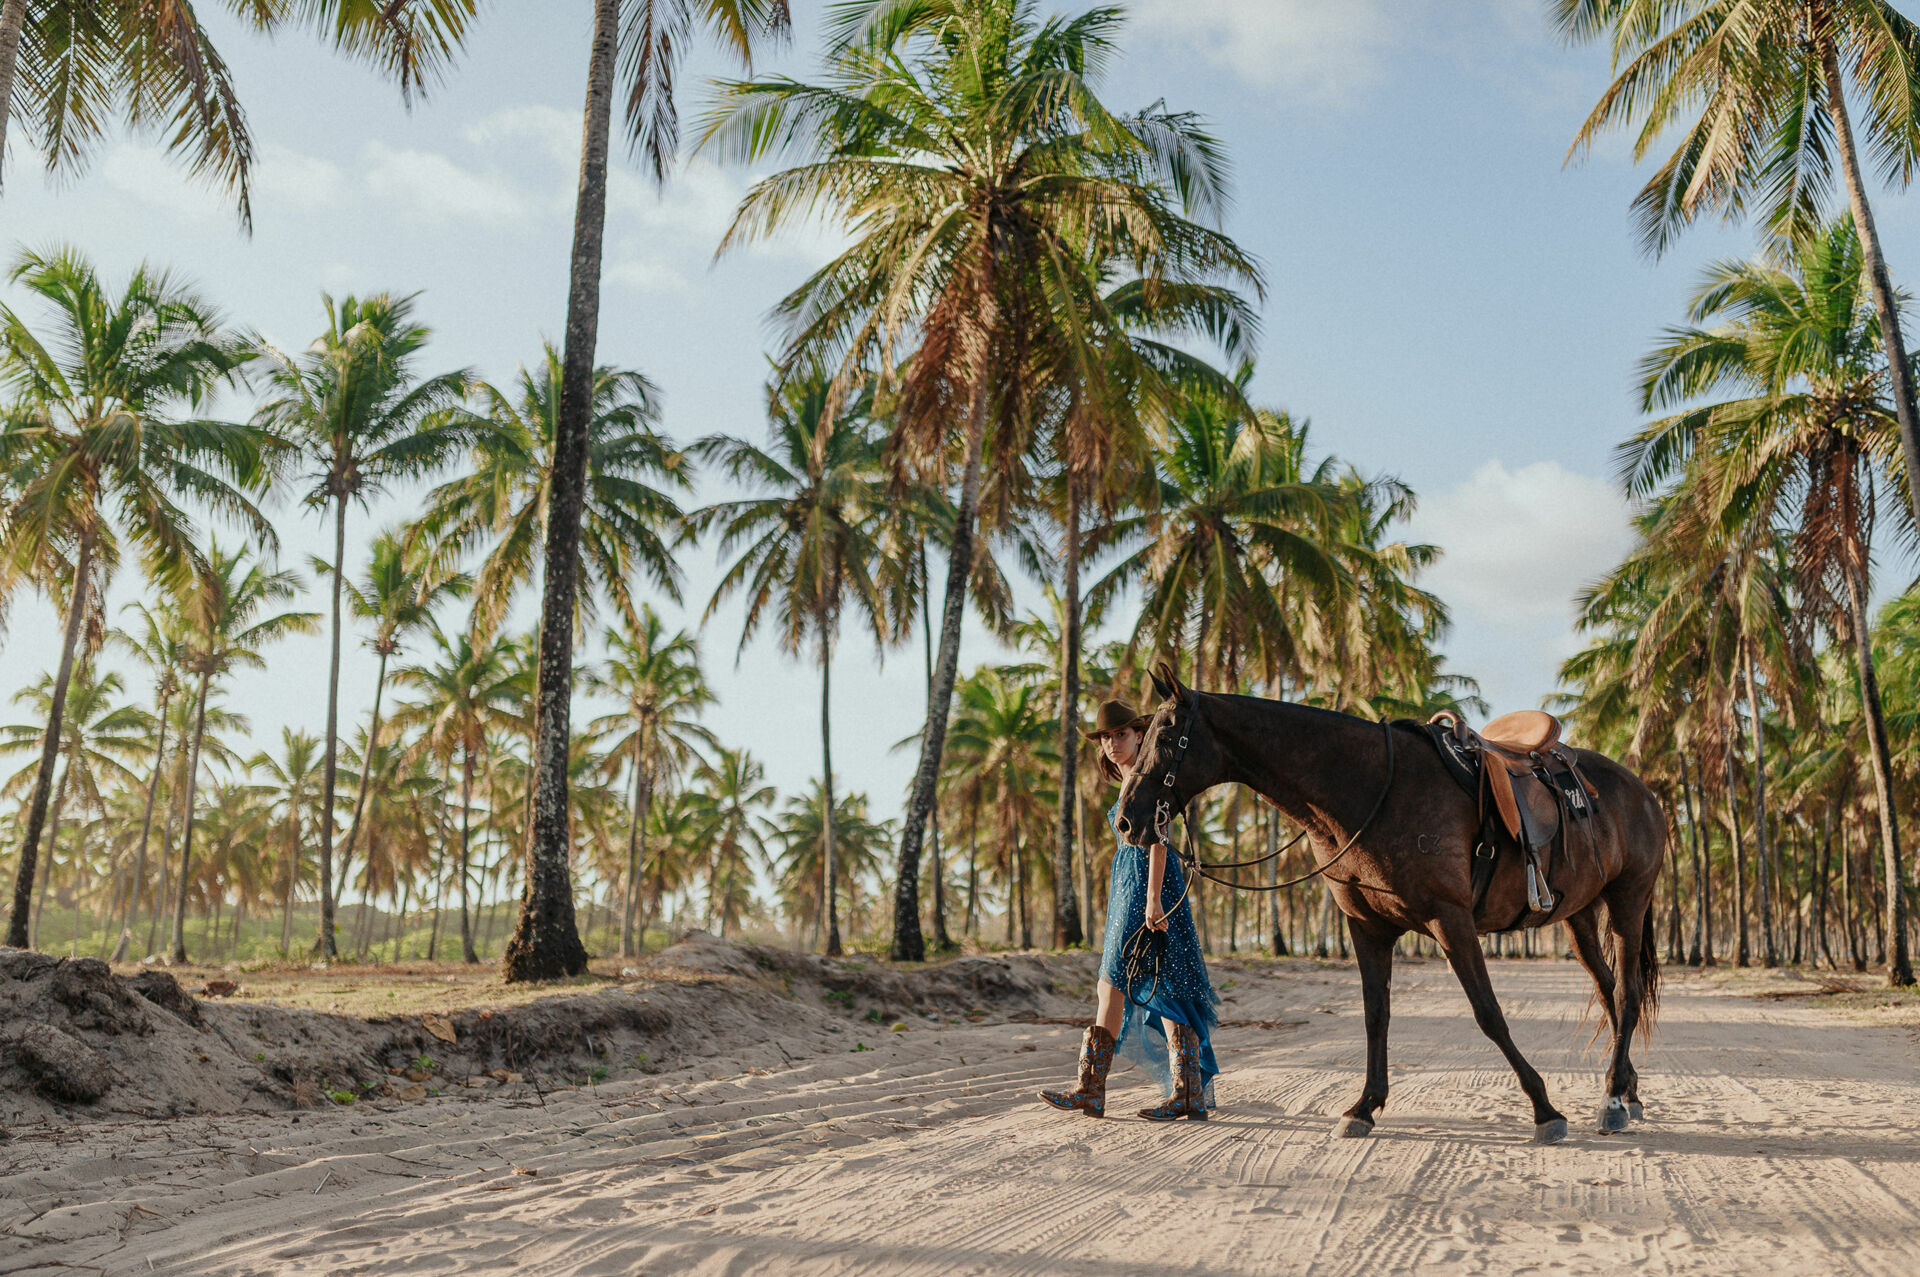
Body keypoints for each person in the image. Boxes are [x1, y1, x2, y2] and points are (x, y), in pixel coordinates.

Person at [1039, 698, 1219, 1121]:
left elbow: (1159, 839)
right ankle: (1096, 1090)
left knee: (1163, 981)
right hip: (1127, 883)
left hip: (1149, 882)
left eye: (1121, 734)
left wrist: (1154, 898)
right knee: (1113, 982)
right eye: (1106, 737)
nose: (1112, 743)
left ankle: (1168, 1091)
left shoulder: (1151, 779)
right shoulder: (1127, 781)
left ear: (1141, 735)